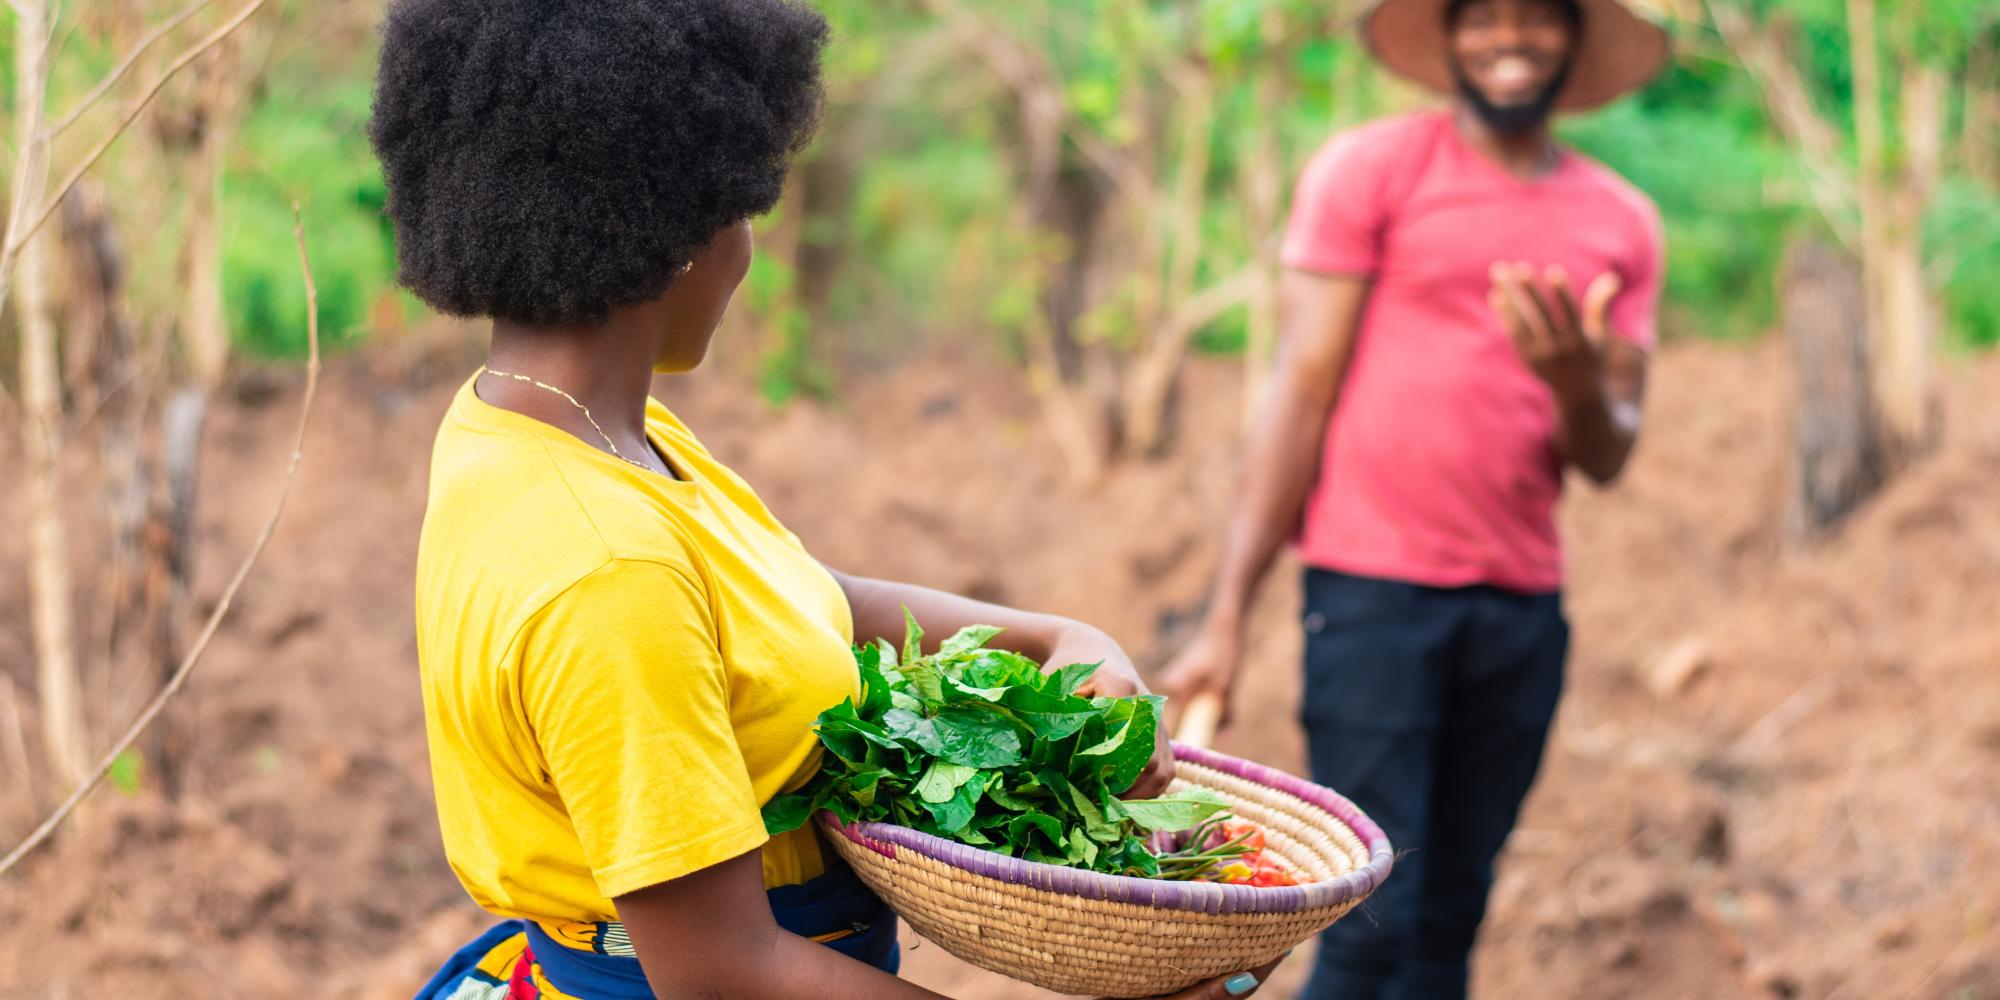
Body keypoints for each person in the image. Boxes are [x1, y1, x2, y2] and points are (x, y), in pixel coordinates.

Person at [371, 1, 1279, 998]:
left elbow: (793, 603)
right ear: (684, 230)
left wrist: (1058, 638)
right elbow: (723, 972)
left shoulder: (569, 434)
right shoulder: (606, 568)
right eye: (746, 214)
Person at [1160, 0, 1668, 997]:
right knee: (1369, 918)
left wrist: (1572, 380)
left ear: (1573, 37)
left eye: (1535, 18)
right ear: (1446, 37)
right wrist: (1227, 614)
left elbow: (1607, 454)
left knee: (1448, 916)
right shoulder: (1369, 172)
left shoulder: (1620, 220)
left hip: (1520, 606)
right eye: (1483, 16)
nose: (1507, 40)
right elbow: (1298, 394)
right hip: (1369, 596)